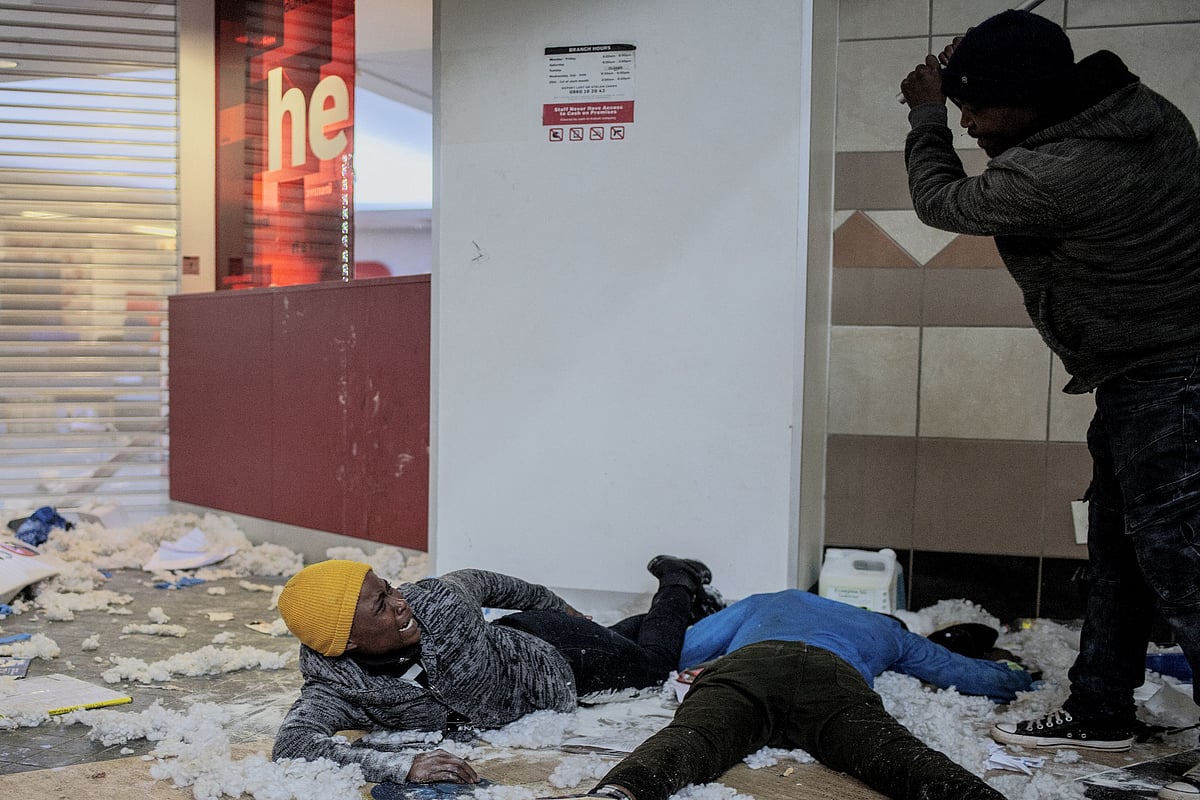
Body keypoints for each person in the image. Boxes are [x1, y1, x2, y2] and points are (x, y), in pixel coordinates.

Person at [899, 10, 1200, 799]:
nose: (968, 120)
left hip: (1172, 381)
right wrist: (976, 80)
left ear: (1032, 99)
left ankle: (1105, 705)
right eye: (960, 107)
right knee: (1122, 554)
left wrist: (926, 112)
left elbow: (942, 202)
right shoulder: (1131, 110)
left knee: (1182, 566)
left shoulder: (1060, 169)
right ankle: (1102, 710)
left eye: (980, 107)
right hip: (1143, 376)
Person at [272, 555, 715, 784]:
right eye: (381, 605)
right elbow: (293, 745)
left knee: (656, 667)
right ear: (346, 642)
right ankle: (687, 612)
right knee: (626, 641)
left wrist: (558, 607)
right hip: (533, 649)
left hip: (557, 655)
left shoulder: (438, 603)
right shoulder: (335, 689)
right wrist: (403, 767)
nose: (400, 601)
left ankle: (678, 579)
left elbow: (486, 582)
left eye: (387, 588)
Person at [574, 637, 1009, 800]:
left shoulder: (761, 604)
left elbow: (675, 646)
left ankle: (618, 793)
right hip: (832, 672)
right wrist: (1018, 676)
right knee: (889, 751)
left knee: (697, 737)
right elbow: (957, 669)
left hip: (749, 662)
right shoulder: (880, 628)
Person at [680, 588, 1034, 702]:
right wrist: (1017, 670)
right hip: (829, 693)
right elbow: (975, 677)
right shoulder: (891, 635)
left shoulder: (773, 599)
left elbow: (682, 650)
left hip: (745, 681)